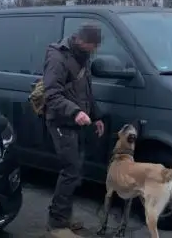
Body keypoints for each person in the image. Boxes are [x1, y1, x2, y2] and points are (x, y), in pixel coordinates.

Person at [43, 24, 104, 237]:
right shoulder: (57, 58)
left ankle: (64, 218)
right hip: (61, 122)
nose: (94, 50)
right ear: (81, 40)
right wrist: (76, 112)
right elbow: (52, 94)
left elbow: (86, 91)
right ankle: (57, 224)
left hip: (76, 122)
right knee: (70, 171)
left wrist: (95, 116)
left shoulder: (81, 56)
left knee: (76, 171)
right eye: (92, 45)